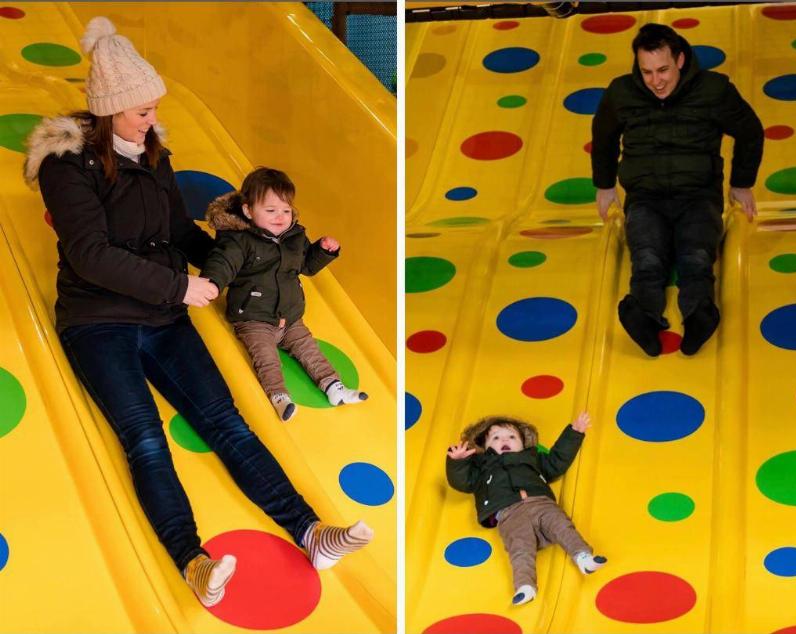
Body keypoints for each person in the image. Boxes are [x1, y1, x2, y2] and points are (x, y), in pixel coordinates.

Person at [24, 16, 372, 608]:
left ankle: (311, 532)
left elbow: (176, 231)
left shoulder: (156, 156)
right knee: (145, 437)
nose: (152, 117)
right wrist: (178, 289)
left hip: (162, 318)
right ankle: (193, 562)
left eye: (154, 106)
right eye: (141, 111)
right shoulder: (68, 164)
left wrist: (237, 262)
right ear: (110, 109)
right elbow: (88, 254)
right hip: (99, 320)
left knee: (228, 422)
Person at [591, 23, 763, 356]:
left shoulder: (714, 90)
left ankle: (699, 315)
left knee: (696, 255)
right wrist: (605, 184)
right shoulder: (621, 93)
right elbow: (604, 137)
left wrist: (741, 183)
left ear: (680, 60)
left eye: (663, 70)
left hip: (697, 195)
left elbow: (751, 131)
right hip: (645, 197)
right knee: (647, 256)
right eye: (647, 72)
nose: (656, 81)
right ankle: (643, 316)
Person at [200, 167, 368, 422]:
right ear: (248, 210)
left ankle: (334, 387)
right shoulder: (238, 240)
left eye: (286, 210)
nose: (280, 217)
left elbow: (306, 266)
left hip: (289, 316)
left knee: (309, 350)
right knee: (266, 357)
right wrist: (212, 282)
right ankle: (279, 396)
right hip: (253, 317)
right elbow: (224, 262)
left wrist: (322, 251)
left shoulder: (294, 236)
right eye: (270, 211)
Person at [446, 412, 605, 606]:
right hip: (509, 513)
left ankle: (583, 557)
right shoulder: (482, 468)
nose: (504, 439)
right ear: (484, 447)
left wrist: (574, 432)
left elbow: (557, 460)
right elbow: (462, 482)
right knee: (520, 549)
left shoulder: (532, 459)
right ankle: (525, 587)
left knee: (562, 526)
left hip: (542, 504)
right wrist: (457, 461)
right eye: (496, 438)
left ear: (523, 443)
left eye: (512, 437)